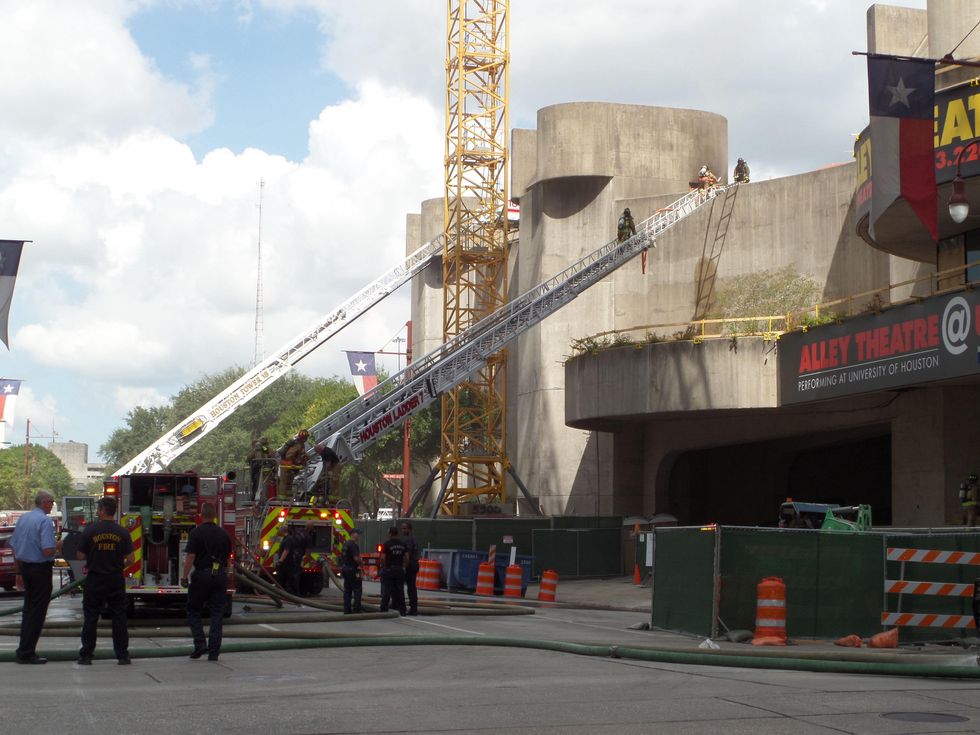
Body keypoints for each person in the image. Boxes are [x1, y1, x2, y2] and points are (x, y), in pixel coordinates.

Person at [76, 496, 133, 665]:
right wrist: (118, 566)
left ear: (102, 511)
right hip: (115, 579)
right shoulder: (123, 532)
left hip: (95, 579)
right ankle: (122, 655)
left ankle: (86, 655)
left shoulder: (90, 531)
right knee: (119, 617)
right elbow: (131, 559)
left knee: (91, 617)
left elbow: (80, 556)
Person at [10, 490, 62, 664]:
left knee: (28, 609)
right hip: (40, 569)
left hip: (26, 568)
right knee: (37, 612)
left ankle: (22, 649)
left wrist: (18, 573)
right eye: (51, 502)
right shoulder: (45, 521)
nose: (52, 505)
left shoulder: (24, 519)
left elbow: (15, 547)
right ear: (45, 502)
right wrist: (60, 545)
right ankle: (27, 652)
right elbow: (47, 549)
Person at [181, 501, 232, 662]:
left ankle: (200, 643)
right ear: (215, 515)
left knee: (193, 610)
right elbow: (229, 559)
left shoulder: (196, 533)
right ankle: (214, 652)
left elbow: (191, 556)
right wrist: (227, 575)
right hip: (219, 576)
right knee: (217, 614)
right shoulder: (224, 534)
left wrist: (184, 576)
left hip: (201, 576)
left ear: (201, 515)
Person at [379, 526, 408, 615]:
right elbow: (407, 557)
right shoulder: (403, 544)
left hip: (389, 569)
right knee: (400, 590)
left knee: (387, 590)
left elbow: (383, 558)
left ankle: (384, 609)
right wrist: (404, 567)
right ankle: (402, 610)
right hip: (399, 569)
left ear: (390, 533)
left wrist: (383, 567)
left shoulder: (387, 544)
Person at [278, 429, 310, 498]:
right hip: (287, 465)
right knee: (284, 482)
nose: (306, 439)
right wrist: (295, 462)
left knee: (289, 482)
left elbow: (299, 454)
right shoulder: (297, 444)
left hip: (290, 466)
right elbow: (289, 455)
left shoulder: (300, 444)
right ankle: (282, 498)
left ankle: (288, 496)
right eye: (306, 437)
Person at [340, 528, 363, 614]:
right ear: (353, 534)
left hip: (345, 569)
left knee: (347, 590)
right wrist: (361, 564)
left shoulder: (345, 544)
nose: (359, 536)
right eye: (357, 533)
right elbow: (356, 558)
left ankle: (347, 609)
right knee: (357, 589)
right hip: (352, 569)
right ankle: (357, 609)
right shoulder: (353, 545)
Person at [276, 525, 303, 596]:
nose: (278, 531)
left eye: (279, 530)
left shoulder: (288, 539)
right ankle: (290, 594)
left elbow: (286, 550)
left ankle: (294, 594)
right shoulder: (286, 538)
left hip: (287, 563)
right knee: (289, 579)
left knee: (284, 579)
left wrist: (280, 561)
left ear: (282, 531)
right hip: (287, 563)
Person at [246, 437, 275, 502]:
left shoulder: (259, 449)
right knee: (266, 484)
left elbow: (248, 457)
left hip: (259, 471)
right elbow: (272, 456)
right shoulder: (266, 449)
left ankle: (256, 498)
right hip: (266, 470)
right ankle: (264, 497)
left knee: (257, 485)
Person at [401, 521, 420, 616]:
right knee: (412, 587)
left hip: (410, 565)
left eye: (405, 528)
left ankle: (404, 608)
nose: (403, 530)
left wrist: (404, 567)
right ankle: (414, 609)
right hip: (414, 564)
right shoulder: (414, 539)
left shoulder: (408, 540)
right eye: (402, 528)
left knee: (406, 588)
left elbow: (407, 556)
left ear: (410, 529)